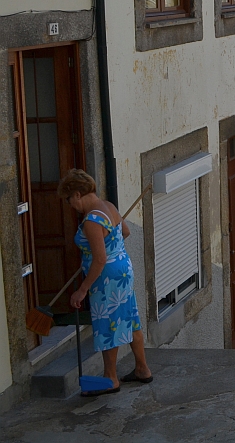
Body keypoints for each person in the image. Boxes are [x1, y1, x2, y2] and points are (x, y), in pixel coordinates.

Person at [58, 169, 152, 397]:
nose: (71, 205)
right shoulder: (108, 206)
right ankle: (142, 369)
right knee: (130, 318)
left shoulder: (91, 220)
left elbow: (99, 260)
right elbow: (125, 232)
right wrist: (111, 249)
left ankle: (110, 379)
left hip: (106, 278)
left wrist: (82, 290)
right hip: (123, 269)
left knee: (108, 324)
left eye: (69, 200)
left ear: (78, 194)